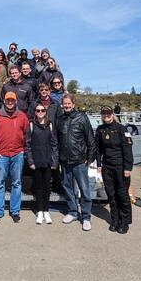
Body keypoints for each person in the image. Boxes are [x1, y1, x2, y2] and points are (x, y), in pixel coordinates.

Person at [56, 94, 98, 231]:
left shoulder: (82, 117)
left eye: (69, 103)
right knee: (68, 188)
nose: (67, 106)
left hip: (80, 161)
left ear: (73, 104)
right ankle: (73, 212)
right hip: (65, 161)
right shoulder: (60, 119)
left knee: (84, 190)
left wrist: (89, 159)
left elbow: (91, 140)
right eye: (65, 104)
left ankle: (86, 217)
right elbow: (56, 141)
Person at [0, 91, 29, 222]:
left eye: (12, 100)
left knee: (16, 183)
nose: (10, 102)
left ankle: (15, 211)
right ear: (4, 101)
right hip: (1, 155)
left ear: (16, 102)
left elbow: (28, 135)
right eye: (8, 100)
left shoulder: (22, 116)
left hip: (17, 154)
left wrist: (23, 150)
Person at [96, 106, 133, 234]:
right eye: (104, 113)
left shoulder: (121, 129)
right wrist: (99, 165)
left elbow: (128, 150)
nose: (106, 115)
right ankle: (115, 219)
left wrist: (128, 168)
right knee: (111, 195)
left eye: (108, 113)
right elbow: (98, 149)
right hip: (107, 167)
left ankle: (125, 221)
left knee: (122, 195)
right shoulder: (100, 130)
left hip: (120, 167)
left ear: (112, 114)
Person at [25, 103, 59, 224]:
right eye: (38, 110)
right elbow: (27, 145)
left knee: (47, 187)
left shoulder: (50, 125)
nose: (40, 112)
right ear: (35, 112)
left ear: (45, 111)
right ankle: (39, 211)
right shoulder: (31, 125)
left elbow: (54, 144)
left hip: (48, 161)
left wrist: (55, 161)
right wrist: (31, 161)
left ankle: (46, 210)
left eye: (42, 110)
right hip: (36, 162)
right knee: (38, 188)